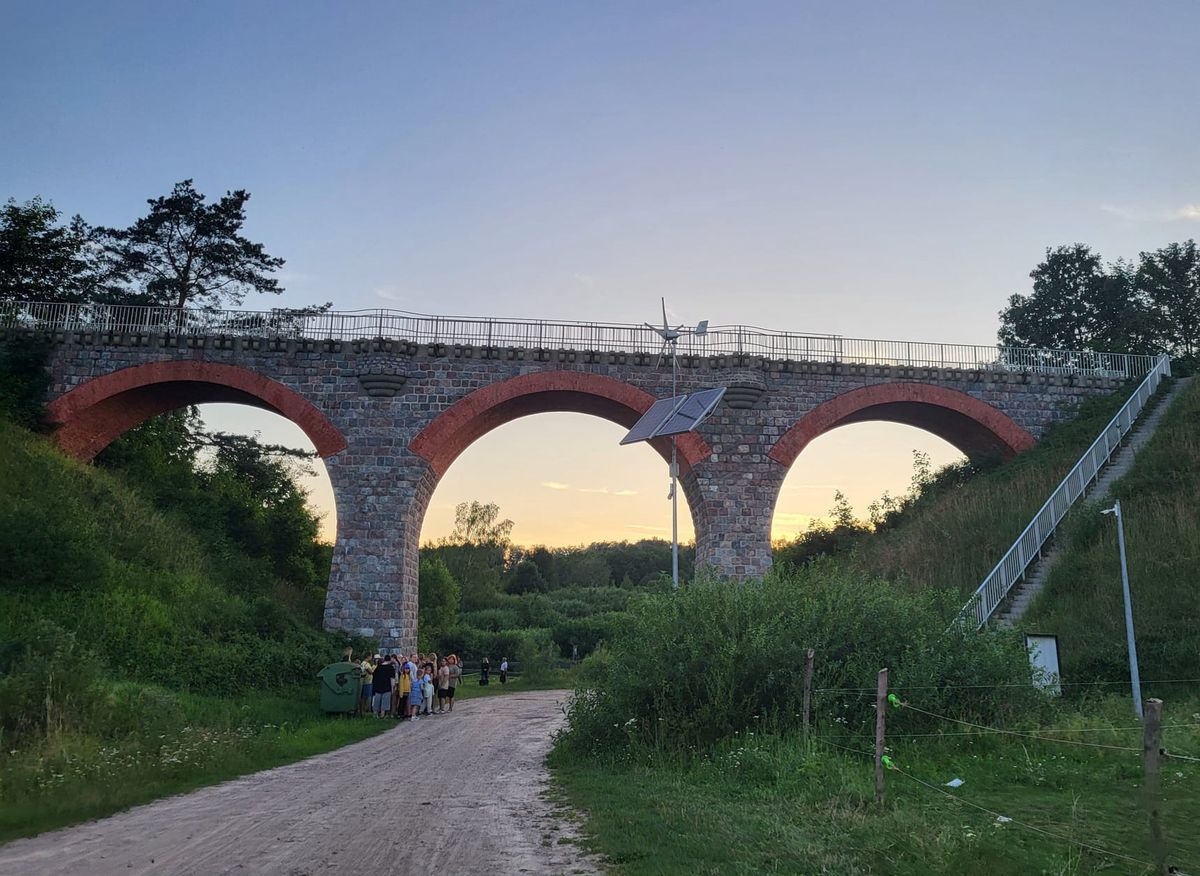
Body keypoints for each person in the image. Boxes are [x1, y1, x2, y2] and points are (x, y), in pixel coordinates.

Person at [371, 653, 395, 718]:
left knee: (377, 700)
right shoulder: (391, 668)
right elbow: (392, 679)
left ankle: (375, 714)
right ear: (390, 660)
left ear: (384, 660)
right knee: (385, 701)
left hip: (378, 686)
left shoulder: (378, 667)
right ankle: (382, 714)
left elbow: (374, 676)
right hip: (387, 686)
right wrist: (393, 688)